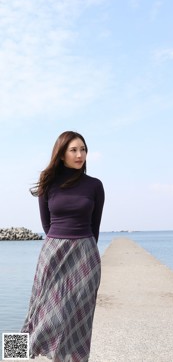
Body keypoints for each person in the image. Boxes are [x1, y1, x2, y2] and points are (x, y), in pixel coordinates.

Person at [21, 131, 105, 362]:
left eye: (83, 150)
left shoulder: (95, 186)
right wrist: (59, 244)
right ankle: (13, 355)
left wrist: (85, 253)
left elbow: (94, 226)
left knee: (77, 319)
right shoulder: (48, 182)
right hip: (53, 253)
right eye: (74, 150)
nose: (80, 155)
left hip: (85, 256)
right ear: (61, 155)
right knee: (37, 311)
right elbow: (46, 225)